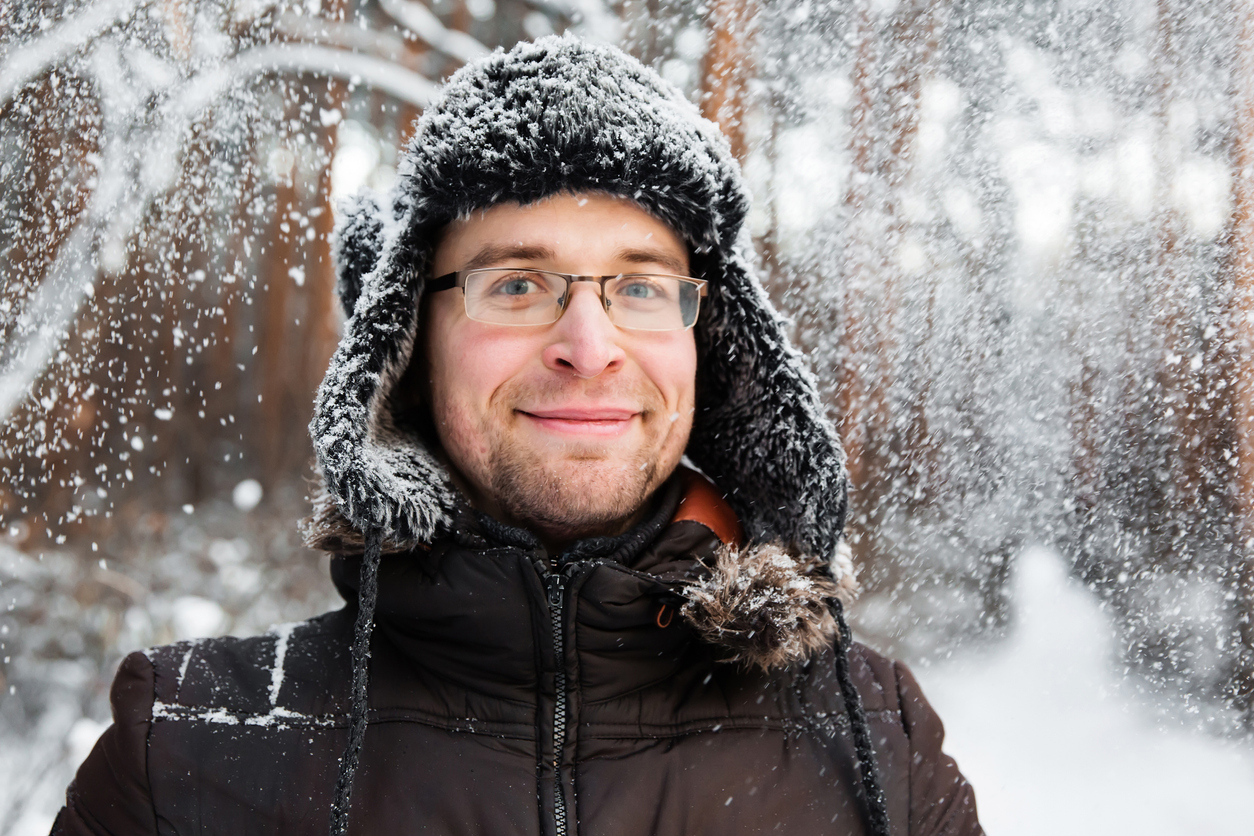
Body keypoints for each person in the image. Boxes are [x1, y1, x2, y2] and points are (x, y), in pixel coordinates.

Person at [52, 35, 982, 836]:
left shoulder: (877, 744)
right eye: (515, 285)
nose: (589, 347)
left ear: (713, 341)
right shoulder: (184, 750)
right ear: (410, 345)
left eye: (643, 286)